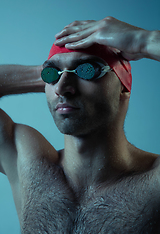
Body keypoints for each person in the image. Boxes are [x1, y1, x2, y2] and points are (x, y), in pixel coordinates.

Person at [0, 16, 160, 233]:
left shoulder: (154, 183)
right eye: (51, 75)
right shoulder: (27, 165)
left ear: (123, 87)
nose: (63, 87)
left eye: (87, 70)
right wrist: (55, 68)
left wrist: (144, 40)